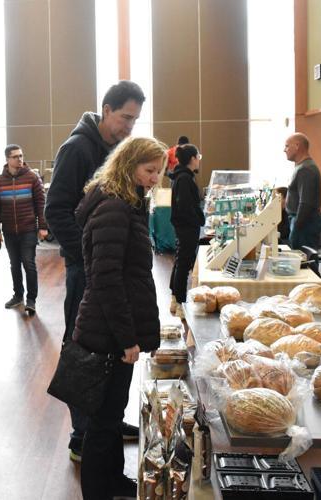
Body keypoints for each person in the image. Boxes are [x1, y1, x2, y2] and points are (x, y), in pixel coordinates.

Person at [45, 80, 145, 462]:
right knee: (85, 350)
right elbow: (55, 211)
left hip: (106, 267)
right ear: (105, 110)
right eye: (125, 118)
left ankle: (107, 421)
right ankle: (80, 436)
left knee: (110, 349)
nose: (129, 127)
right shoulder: (76, 149)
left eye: (135, 120)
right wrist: (87, 258)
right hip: (86, 270)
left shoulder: (112, 148)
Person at [73, 136, 164, 499]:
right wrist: (128, 338)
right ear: (128, 165)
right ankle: (97, 491)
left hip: (110, 326)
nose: (155, 178)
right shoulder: (114, 207)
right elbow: (108, 280)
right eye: (149, 170)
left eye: (159, 171)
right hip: (107, 331)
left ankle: (113, 480)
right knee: (101, 421)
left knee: (111, 416)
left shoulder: (126, 202)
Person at [0, 144, 48, 315]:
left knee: (29, 264)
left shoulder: (32, 177)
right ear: (7, 159)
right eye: (15, 156)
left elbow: (41, 203)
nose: (19, 159)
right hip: (8, 231)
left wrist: (43, 227)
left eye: (21, 156)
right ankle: (18, 295)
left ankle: (31, 300)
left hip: (28, 229)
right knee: (14, 265)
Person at [169, 144, 204, 316]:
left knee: (180, 260)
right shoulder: (184, 178)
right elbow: (185, 206)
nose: (199, 161)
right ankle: (180, 301)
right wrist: (197, 219)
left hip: (184, 225)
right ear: (192, 159)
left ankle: (175, 297)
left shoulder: (182, 176)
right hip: (186, 226)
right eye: (198, 157)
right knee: (183, 262)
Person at [284, 133, 321, 251]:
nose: (284, 150)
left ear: (297, 146)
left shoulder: (306, 169)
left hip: (304, 224)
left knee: (306, 262)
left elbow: (305, 203)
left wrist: (296, 227)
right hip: (300, 222)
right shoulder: (301, 167)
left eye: (287, 146)